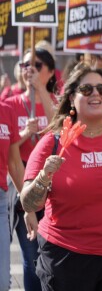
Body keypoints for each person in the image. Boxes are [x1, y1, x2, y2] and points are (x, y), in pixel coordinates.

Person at [19, 64, 102, 291]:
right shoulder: (53, 142)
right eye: (87, 89)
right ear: (71, 98)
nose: (96, 94)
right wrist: (44, 176)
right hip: (66, 259)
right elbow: (28, 202)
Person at [5, 48, 57, 291]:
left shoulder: (56, 100)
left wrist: (42, 92)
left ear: (49, 71)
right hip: (22, 181)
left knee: (51, 258)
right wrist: (25, 133)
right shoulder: (10, 105)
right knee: (31, 255)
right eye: (25, 65)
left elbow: (60, 130)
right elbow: (9, 149)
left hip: (53, 183)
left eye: (36, 65)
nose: (29, 70)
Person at [0, 101, 26, 291]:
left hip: (1, 201)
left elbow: (15, 164)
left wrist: (30, 206)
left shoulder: (6, 111)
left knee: (2, 282)